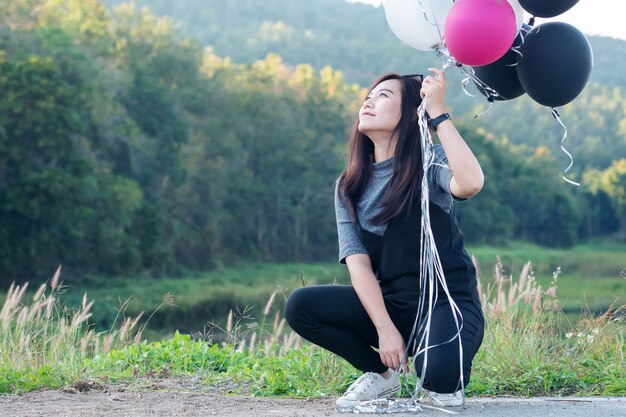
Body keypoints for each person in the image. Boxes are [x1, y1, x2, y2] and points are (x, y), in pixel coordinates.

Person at [284, 68, 485, 410]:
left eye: (383, 96)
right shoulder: (348, 186)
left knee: (438, 378)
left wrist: (437, 112)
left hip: (446, 303)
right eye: (368, 96)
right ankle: (382, 375)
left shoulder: (428, 164)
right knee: (301, 306)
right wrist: (384, 328)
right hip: (393, 305)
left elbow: (470, 183)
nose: (369, 102)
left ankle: (434, 363)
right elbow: (358, 264)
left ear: (409, 114)